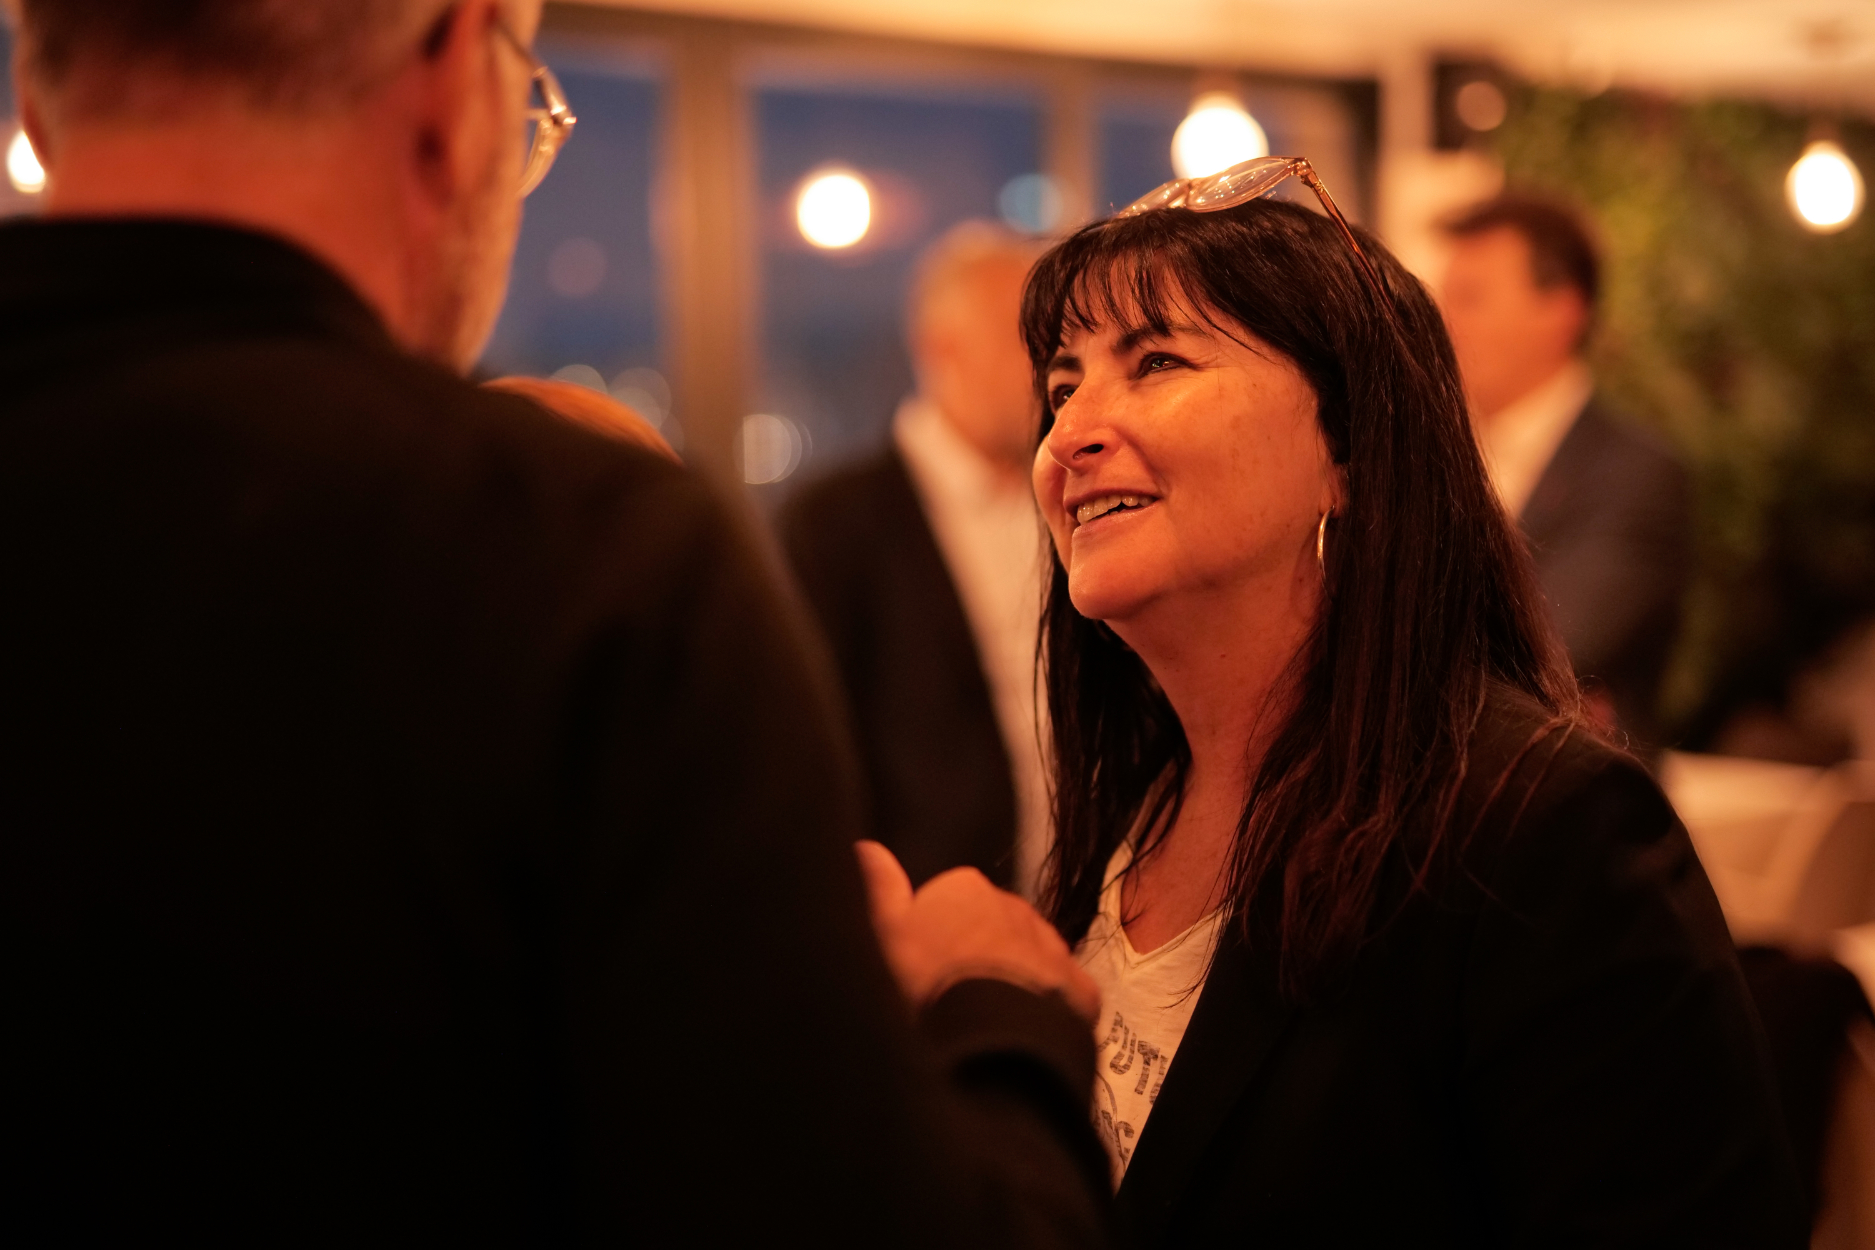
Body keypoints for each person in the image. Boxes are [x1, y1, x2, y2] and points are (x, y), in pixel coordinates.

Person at [0, 1, 1111, 1242]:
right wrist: (998, 1013)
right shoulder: (569, 557)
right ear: (454, 79)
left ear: (38, 97)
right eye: (530, 100)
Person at [1022, 158, 1806, 1244]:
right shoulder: (1134, 797)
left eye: (1156, 362)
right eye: (1062, 387)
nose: (1070, 434)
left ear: (1346, 448)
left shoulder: (1540, 835)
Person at [782, 223, 1050, 893]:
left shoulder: (1072, 499)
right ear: (941, 347)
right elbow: (815, 756)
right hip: (931, 913)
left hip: (1092, 906)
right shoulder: (832, 523)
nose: (1050, 370)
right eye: (1028, 340)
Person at [1440, 195, 1692, 753]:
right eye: (1445, 296)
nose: (1445, 321)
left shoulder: (1634, 474)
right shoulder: (1441, 455)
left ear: (1561, 312)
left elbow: (1546, 655)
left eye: (1471, 297)